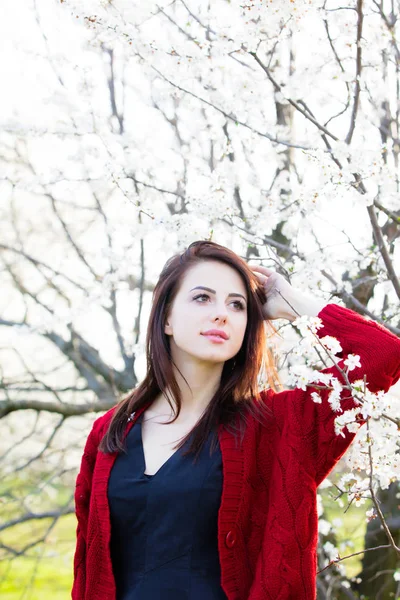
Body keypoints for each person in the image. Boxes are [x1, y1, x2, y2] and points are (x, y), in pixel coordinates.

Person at [71, 240, 400, 600]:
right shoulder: (110, 430)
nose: (221, 314)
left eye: (237, 304)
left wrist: (291, 303)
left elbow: (382, 354)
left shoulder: (280, 425)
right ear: (166, 318)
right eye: (202, 298)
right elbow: (88, 573)